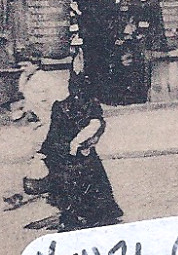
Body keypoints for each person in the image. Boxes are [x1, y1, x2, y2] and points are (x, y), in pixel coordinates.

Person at [39, 69, 124, 230]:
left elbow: (96, 125)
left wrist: (83, 142)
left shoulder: (82, 106)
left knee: (86, 181)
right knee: (75, 180)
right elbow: (55, 131)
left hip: (75, 152)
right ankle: (77, 214)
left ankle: (86, 213)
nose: (77, 93)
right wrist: (47, 151)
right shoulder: (64, 107)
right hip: (68, 151)